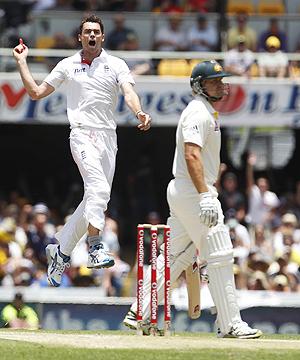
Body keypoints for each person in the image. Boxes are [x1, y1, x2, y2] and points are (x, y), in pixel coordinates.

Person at [124, 60, 262, 339]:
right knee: (220, 253)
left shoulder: (206, 112)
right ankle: (229, 323)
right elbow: (191, 154)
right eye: (215, 81)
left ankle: (140, 308)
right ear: (200, 85)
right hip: (193, 191)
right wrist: (205, 196)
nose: (223, 84)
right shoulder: (197, 112)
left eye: (222, 79)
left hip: (186, 190)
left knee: (177, 254)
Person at [13, 14, 151, 287]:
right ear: (80, 36)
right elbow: (36, 93)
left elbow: (128, 92)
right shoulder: (67, 65)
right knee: (99, 190)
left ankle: (61, 250)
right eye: (86, 31)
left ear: (102, 36)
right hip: (81, 134)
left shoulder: (115, 64)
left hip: (108, 138)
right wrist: (21, 62)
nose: (91, 35)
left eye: (96, 32)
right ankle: (95, 246)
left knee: (93, 200)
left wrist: (139, 111)